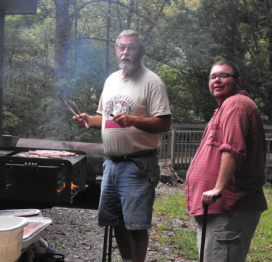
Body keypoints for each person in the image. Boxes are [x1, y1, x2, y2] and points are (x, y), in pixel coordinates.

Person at [73, 30, 171, 262]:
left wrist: (134, 120)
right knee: (116, 221)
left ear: (141, 51)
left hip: (138, 164)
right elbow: (103, 119)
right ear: (116, 50)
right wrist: (88, 120)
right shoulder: (111, 80)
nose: (126, 51)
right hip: (112, 164)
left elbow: (164, 123)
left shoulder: (152, 82)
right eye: (122, 47)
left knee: (136, 225)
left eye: (131, 47)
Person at [186, 60, 267, 262]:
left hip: (228, 208)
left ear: (238, 81)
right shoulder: (226, 107)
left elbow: (233, 149)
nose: (217, 80)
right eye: (213, 77)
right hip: (219, 210)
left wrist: (217, 189)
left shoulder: (236, 105)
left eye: (224, 76)